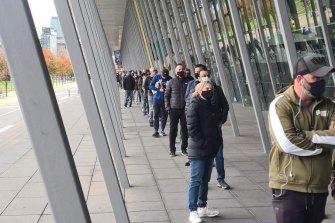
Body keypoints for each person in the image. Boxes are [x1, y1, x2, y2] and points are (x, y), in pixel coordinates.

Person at [268, 56, 335, 223]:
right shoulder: (280, 105)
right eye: (315, 78)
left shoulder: (330, 105)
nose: (321, 82)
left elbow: (296, 139)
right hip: (288, 187)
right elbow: (287, 143)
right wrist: (325, 143)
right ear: (299, 78)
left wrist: (304, 135)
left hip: (319, 187)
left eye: (322, 78)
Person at [187, 81, 220, 223]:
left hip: (209, 148)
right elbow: (192, 129)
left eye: (211, 89)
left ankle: (202, 206)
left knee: (205, 180)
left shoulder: (209, 105)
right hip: (198, 149)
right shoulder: (194, 105)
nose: (210, 91)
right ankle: (192, 210)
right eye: (207, 89)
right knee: (195, 180)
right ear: (200, 89)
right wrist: (203, 142)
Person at [165, 64, 189, 156]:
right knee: (173, 130)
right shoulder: (171, 82)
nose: (181, 70)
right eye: (179, 69)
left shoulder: (187, 81)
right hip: (173, 109)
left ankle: (184, 148)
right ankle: (172, 149)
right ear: (175, 71)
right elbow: (166, 95)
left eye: (182, 69)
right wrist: (168, 107)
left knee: (185, 129)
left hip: (184, 109)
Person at [149, 68, 171, 137]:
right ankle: (156, 131)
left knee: (164, 116)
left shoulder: (170, 79)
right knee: (156, 115)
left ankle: (162, 130)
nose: (164, 77)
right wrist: (158, 89)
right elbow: (151, 86)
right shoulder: (157, 77)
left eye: (165, 76)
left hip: (166, 100)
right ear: (161, 74)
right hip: (157, 99)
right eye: (163, 76)